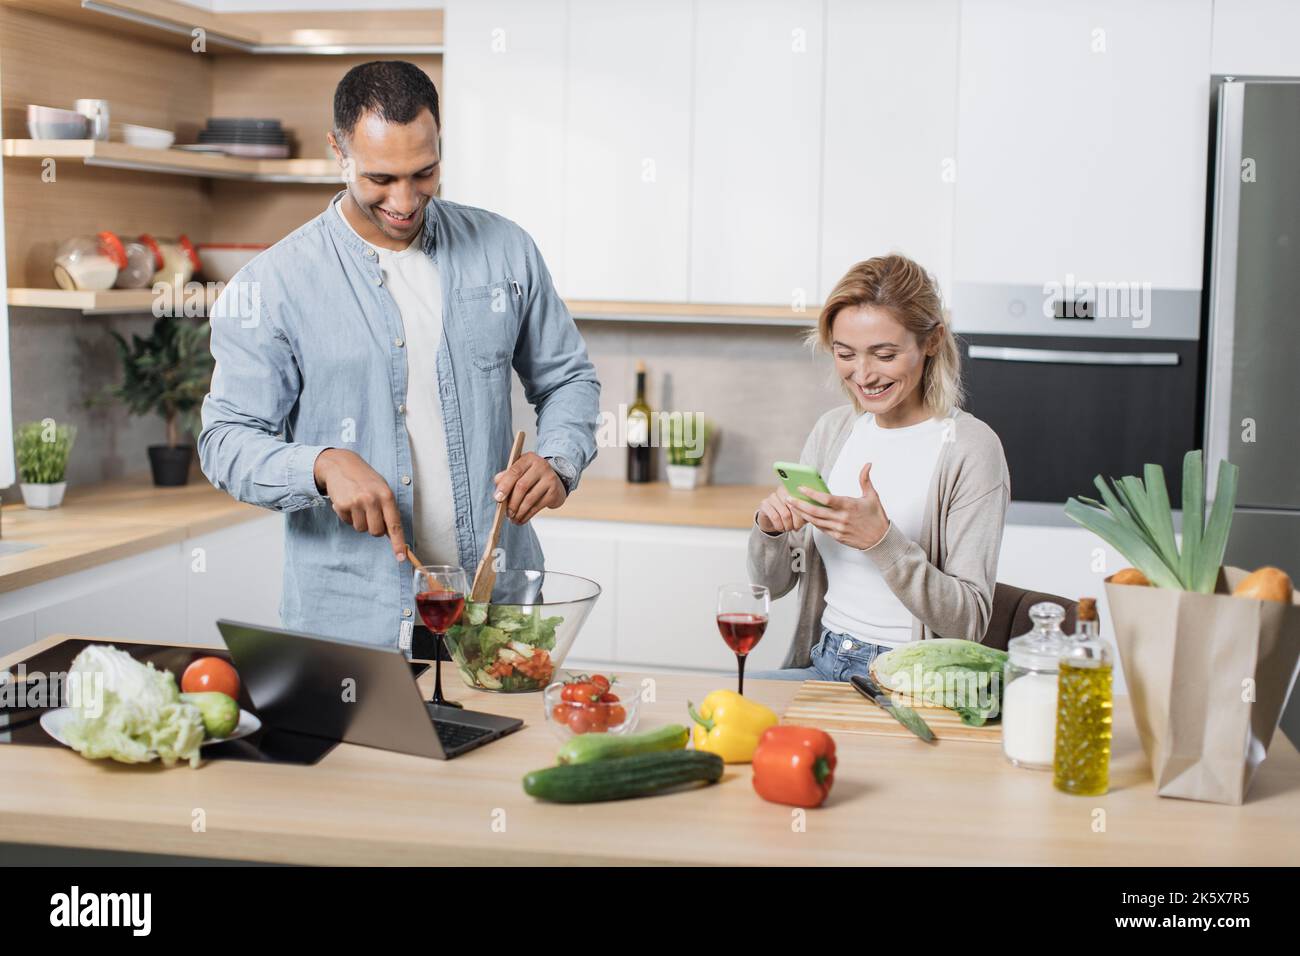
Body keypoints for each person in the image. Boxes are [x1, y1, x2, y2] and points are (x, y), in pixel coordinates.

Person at [199, 61, 600, 653]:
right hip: (353, 622)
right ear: (338, 151)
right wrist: (322, 465)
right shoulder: (273, 286)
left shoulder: (506, 250)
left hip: (498, 613)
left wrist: (559, 459)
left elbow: (568, 377)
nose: (405, 200)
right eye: (381, 178)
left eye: (425, 172)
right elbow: (225, 440)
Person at [747, 254, 1009, 681]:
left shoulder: (971, 448)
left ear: (932, 341)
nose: (863, 374)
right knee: (723, 716)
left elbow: (969, 621)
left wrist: (882, 542)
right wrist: (771, 531)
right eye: (845, 353)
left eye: (884, 354)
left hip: (910, 682)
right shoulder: (834, 431)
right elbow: (771, 587)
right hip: (823, 661)